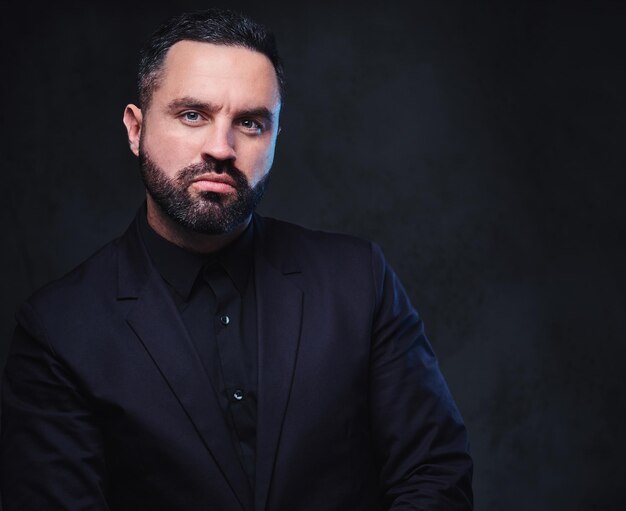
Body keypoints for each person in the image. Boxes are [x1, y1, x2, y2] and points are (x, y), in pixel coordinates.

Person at [0, 8, 473, 511]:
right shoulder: (59, 329)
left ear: (274, 139)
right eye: (192, 115)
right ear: (135, 129)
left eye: (249, 123)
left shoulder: (359, 281)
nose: (221, 148)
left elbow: (434, 474)